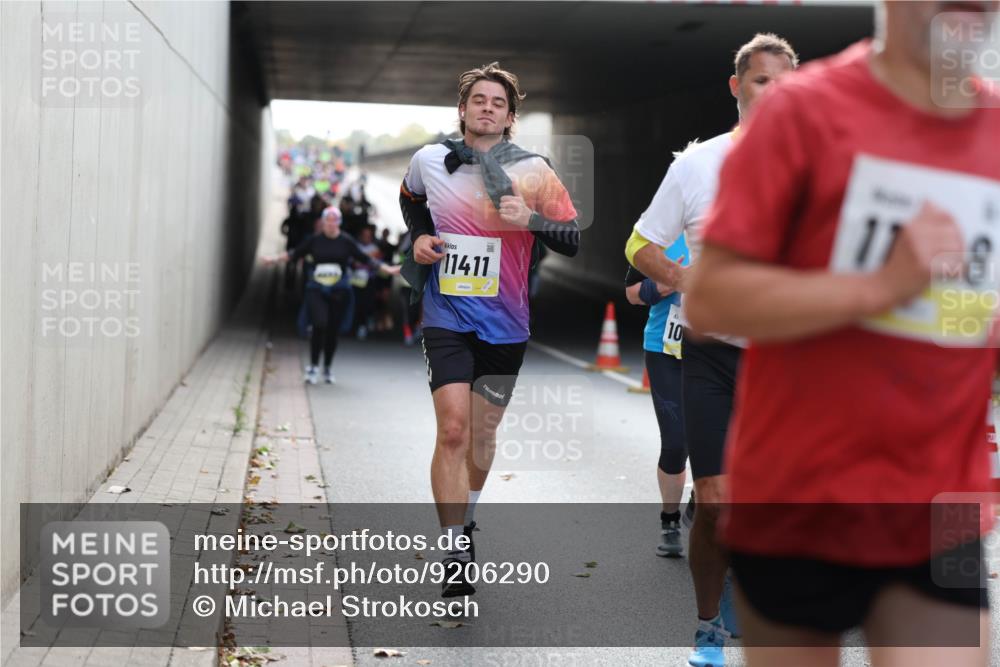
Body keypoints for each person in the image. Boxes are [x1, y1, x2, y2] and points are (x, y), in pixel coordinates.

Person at [684, 3, 999, 665]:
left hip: (939, 503)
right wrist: (880, 287)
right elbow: (710, 297)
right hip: (801, 494)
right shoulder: (804, 111)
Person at [626, 33, 798, 667]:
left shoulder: (824, 164)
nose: (773, 94)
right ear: (737, 87)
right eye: (761, 82)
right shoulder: (697, 165)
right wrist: (681, 277)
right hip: (712, 358)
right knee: (720, 504)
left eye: (785, 83)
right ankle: (708, 627)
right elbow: (639, 245)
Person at [399, 62, 580, 597]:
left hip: (506, 324)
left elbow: (571, 238)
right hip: (446, 314)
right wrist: (421, 237)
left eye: (497, 103)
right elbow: (411, 200)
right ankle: (453, 545)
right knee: (453, 429)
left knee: (481, 434)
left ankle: (468, 516)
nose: (486, 108)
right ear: (462, 109)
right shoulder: (429, 159)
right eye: (478, 99)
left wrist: (530, 219)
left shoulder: (534, 170)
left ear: (509, 117)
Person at [264, 206, 399, 384]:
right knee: (319, 323)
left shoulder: (346, 241)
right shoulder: (315, 241)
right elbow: (294, 254)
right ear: (323, 222)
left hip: (338, 291)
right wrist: (274, 259)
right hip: (317, 289)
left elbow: (365, 259)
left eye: (334, 220)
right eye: (327, 220)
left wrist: (387, 269)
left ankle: (327, 367)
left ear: (339, 223)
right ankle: (313, 366)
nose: (330, 224)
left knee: (332, 330)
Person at [624, 234, 690, 558]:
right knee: (677, 442)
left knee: (724, 441)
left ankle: (705, 498)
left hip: (718, 351)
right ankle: (670, 519)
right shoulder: (664, 234)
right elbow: (631, 294)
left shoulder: (736, 225)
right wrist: (663, 285)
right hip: (666, 349)